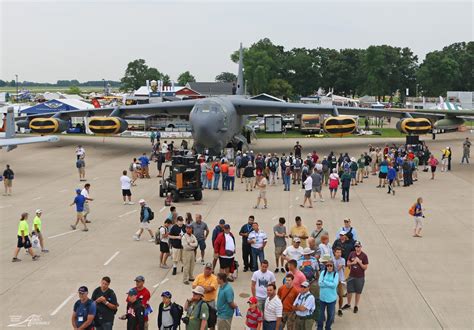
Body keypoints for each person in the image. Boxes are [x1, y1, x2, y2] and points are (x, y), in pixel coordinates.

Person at [342, 241, 368, 314]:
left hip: (360, 277)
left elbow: (365, 267)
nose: (357, 248)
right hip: (351, 276)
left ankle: (356, 305)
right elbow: (348, 263)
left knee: (358, 292)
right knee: (349, 291)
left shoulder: (364, 256)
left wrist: (359, 262)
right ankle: (348, 304)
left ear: (361, 247)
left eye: (358, 246)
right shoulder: (352, 254)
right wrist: (353, 263)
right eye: (356, 247)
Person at [318, 260, 338, 330]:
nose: (329, 267)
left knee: (330, 316)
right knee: (320, 315)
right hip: (322, 299)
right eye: (327, 266)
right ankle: (319, 328)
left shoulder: (336, 274)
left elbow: (334, 285)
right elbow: (320, 284)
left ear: (333, 266)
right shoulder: (323, 273)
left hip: (331, 299)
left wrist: (325, 282)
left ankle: (328, 327)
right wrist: (330, 283)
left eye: (330, 266)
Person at [333, 247, 346, 317]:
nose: (339, 254)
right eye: (337, 252)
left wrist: (335, 267)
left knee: (340, 296)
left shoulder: (343, 260)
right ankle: (333, 309)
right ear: (334, 253)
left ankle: (340, 309)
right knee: (333, 296)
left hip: (340, 280)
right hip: (333, 281)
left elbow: (337, 269)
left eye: (340, 252)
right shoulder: (332, 260)